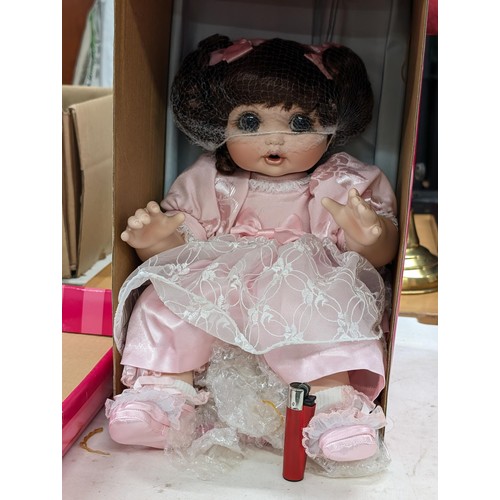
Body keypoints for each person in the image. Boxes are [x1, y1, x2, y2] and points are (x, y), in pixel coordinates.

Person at [105, 35, 399, 465]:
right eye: (249, 122)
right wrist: (158, 240)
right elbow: (184, 246)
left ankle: (335, 409)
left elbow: (377, 257)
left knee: (326, 311)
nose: (274, 139)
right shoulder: (213, 179)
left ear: (332, 125)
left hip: (302, 280)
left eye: (299, 123)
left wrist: (370, 237)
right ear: (219, 124)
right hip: (222, 277)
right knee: (168, 299)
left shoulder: (342, 182)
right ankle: (162, 395)